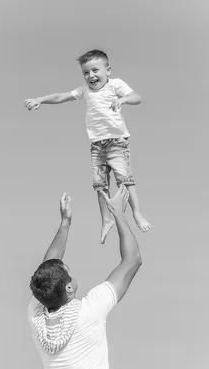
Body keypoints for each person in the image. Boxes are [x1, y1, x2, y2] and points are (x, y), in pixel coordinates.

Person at [24, 49, 152, 244]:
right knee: (100, 185)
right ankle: (106, 220)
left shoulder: (116, 85)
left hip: (116, 142)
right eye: (86, 72)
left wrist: (124, 99)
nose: (90, 76)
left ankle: (137, 214)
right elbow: (61, 97)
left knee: (125, 180)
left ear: (108, 70)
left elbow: (137, 97)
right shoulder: (84, 90)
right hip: (96, 146)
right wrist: (40, 100)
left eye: (95, 70)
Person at [28, 185, 143, 369]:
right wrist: (118, 214)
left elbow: (48, 268)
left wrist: (65, 223)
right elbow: (133, 261)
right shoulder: (88, 313)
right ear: (69, 288)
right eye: (67, 271)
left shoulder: (36, 314)